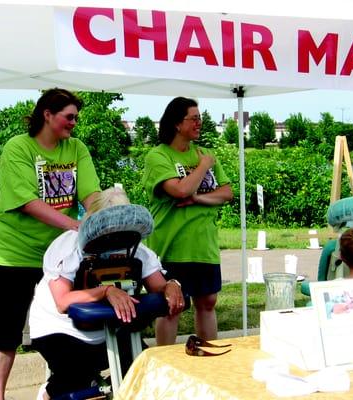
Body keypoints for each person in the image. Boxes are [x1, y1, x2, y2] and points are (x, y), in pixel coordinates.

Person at [0, 88, 101, 400]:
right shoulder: (18, 147)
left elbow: (91, 194)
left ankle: (56, 387)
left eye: (76, 118)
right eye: (68, 117)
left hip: (58, 258)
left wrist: (102, 218)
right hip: (9, 254)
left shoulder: (76, 149)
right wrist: (76, 225)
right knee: (6, 330)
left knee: (67, 322)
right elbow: (28, 202)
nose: (74, 123)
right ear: (47, 114)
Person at [28, 187, 185, 400]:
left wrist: (172, 285)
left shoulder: (135, 247)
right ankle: (49, 393)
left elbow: (159, 285)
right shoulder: (68, 245)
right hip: (59, 330)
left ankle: (112, 389)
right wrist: (105, 291)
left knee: (141, 371)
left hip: (109, 328)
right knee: (77, 384)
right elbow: (62, 301)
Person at [142, 97, 233, 345]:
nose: (199, 123)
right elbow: (180, 190)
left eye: (200, 117)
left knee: (208, 302)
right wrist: (203, 167)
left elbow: (226, 193)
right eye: (193, 118)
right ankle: (166, 365)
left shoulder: (205, 153)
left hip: (204, 245)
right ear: (176, 123)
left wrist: (197, 200)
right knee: (172, 306)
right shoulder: (159, 156)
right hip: (172, 246)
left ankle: (208, 361)